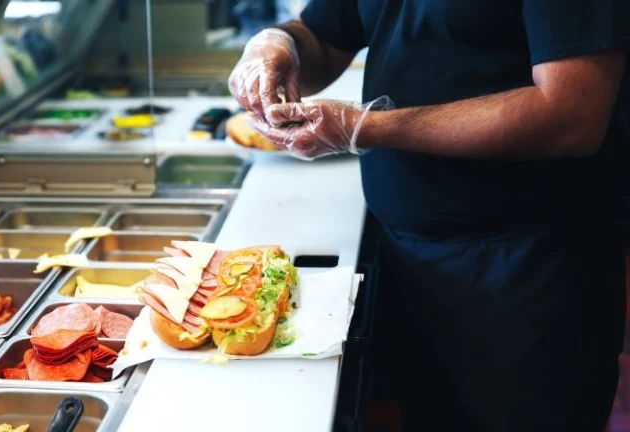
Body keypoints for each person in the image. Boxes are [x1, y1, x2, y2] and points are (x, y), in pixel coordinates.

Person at [228, 1, 629, 431]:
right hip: (414, 261)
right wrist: (278, 47)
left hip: (529, 272)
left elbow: (570, 116)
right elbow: (324, 38)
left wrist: (370, 126)